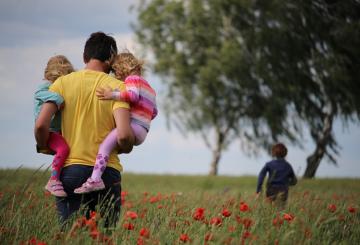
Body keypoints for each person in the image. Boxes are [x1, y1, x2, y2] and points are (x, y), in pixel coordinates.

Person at [34, 32, 134, 227]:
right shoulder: (118, 88)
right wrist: (128, 145)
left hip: (71, 171)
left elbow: (40, 124)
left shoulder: (61, 83)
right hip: (107, 173)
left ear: (84, 57)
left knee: (71, 236)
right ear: (111, 60)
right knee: (105, 238)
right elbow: (123, 135)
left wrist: (44, 145)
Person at [74, 51, 158, 194]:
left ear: (121, 68)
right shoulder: (150, 88)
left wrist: (111, 95)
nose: (115, 76)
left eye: (115, 72)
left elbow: (131, 95)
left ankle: (95, 180)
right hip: (143, 131)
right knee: (112, 145)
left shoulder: (132, 79)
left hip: (133, 127)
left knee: (104, 146)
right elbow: (154, 112)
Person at [34, 55, 74, 197]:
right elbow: (38, 94)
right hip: (50, 130)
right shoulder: (46, 86)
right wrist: (58, 99)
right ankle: (53, 179)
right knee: (63, 148)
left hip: (57, 130)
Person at [256, 143, 297, 209]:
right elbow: (294, 181)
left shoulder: (269, 164)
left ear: (274, 153)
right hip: (283, 191)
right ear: (285, 153)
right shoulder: (288, 166)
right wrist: (287, 183)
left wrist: (259, 190)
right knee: (281, 210)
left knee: (270, 210)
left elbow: (261, 176)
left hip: (271, 190)